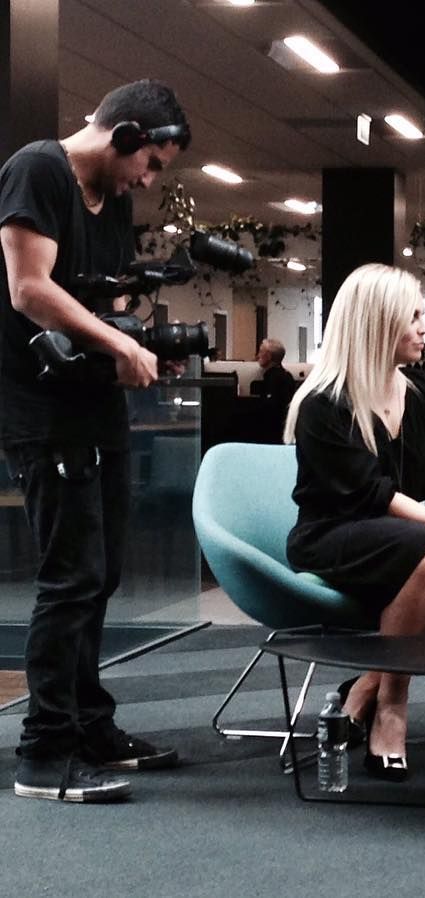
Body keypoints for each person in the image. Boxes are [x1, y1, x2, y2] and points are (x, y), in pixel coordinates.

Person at [0, 79, 190, 802]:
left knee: (102, 571)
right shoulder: (37, 170)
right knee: (70, 575)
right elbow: (29, 288)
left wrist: (142, 344)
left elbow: (103, 299)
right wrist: (117, 341)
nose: (150, 179)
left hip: (93, 403)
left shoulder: (115, 201)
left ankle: (87, 725)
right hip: (39, 407)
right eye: (152, 163)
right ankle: (44, 753)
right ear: (126, 136)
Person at [283, 263, 425, 782]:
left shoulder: (423, 392)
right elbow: (376, 496)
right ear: (377, 322)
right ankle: (393, 707)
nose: (424, 328)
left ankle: (366, 684)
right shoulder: (324, 403)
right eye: (412, 317)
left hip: (405, 537)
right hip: (333, 534)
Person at [253, 337, 297, 403]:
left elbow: (270, 405)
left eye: (260, 352)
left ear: (269, 356)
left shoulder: (273, 379)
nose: (258, 356)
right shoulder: (287, 375)